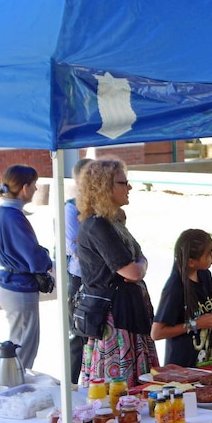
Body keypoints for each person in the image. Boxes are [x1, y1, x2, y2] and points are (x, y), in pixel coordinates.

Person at [77, 159, 159, 388]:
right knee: (117, 392)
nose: (129, 187)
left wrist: (140, 265)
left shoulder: (113, 221)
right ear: (104, 187)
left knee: (134, 388)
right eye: (123, 182)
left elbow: (137, 264)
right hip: (115, 320)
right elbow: (133, 270)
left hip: (128, 314)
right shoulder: (97, 226)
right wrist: (140, 265)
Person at [0, 164, 53, 371]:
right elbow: (33, 256)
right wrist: (48, 259)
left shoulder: (6, 212)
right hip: (19, 287)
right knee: (23, 350)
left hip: (13, 285)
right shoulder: (12, 215)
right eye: (35, 185)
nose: (36, 190)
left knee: (19, 346)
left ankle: (11, 388)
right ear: (25, 187)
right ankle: (12, 393)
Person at [152, 229, 212, 368]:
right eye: (208, 254)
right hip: (184, 367)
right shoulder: (175, 288)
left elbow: (201, 309)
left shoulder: (205, 275)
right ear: (191, 262)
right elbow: (156, 333)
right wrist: (195, 324)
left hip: (210, 360)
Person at [64, 158, 92, 385]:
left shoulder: (102, 207)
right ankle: (72, 386)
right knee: (78, 335)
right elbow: (74, 247)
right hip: (79, 277)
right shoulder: (71, 207)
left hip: (100, 279)